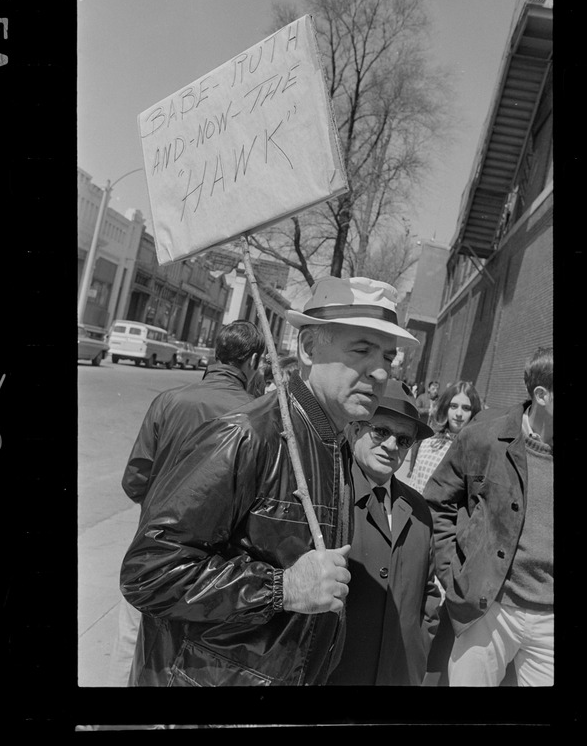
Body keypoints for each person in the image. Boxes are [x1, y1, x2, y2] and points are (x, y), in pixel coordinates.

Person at [120, 276, 418, 686]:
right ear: (309, 347)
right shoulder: (248, 435)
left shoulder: (333, 445)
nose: (381, 370)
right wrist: (282, 587)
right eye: (362, 350)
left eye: (389, 354)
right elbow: (148, 573)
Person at [106, 319, 266, 686]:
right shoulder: (258, 415)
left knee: (131, 640)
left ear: (216, 353)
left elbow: (134, 481)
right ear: (254, 360)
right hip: (210, 573)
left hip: (151, 554)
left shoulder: (169, 401)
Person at [425, 346, 554, 686]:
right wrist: (453, 572)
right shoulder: (485, 437)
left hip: (550, 620)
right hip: (487, 606)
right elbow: (438, 502)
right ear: (542, 395)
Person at [326, 380, 441, 685]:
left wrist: (417, 656)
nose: (391, 446)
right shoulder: (328, 495)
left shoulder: (417, 507)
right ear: (354, 430)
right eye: (381, 431)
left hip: (397, 673)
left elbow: (428, 594)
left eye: (404, 440)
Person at [407, 381, 482, 495]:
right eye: (453, 406)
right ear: (446, 408)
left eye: (466, 408)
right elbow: (413, 485)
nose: (459, 413)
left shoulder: (476, 452)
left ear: (474, 413)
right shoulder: (428, 443)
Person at [407, 380, 439, 477]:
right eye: (433, 388)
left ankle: (421, 471)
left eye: (437, 389)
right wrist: (428, 411)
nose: (435, 391)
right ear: (429, 389)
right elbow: (415, 409)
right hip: (421, 427)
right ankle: (411, 470)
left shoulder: (439, 401)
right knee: (415, 449)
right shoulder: (422, 398)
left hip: (432, 430)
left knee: (427, 452)